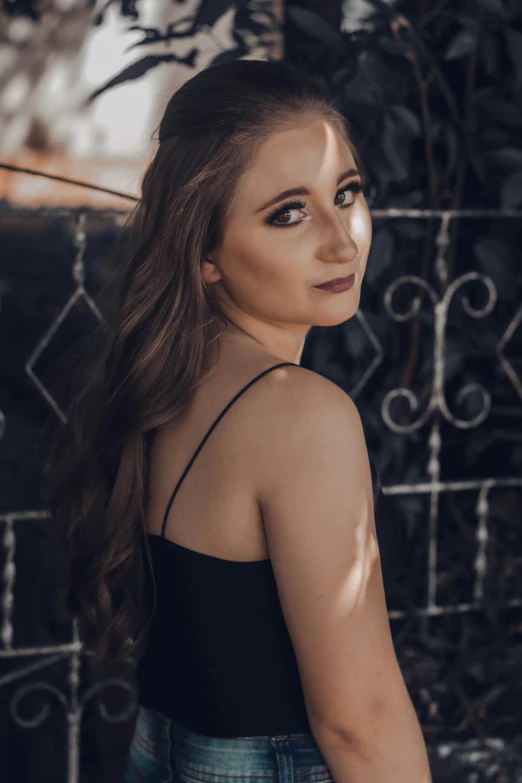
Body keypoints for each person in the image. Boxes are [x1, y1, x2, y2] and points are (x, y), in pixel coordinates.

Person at [45, 59, 431, 783]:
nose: (342, 240)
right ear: (206, 254)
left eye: (345, 193)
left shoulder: (170, 382)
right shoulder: (302, 415)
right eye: (288, 212)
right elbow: (359, 719)